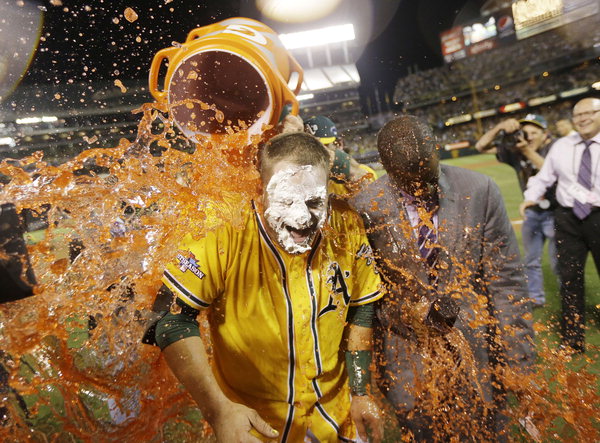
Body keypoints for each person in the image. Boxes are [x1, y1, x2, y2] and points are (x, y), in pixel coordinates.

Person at [147, 132, 384, 442]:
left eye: (314, 202)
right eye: (285, 200)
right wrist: (218, 410)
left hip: (335, 418)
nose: (301, 218)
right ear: (261, 190)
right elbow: (169, 318)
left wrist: (360, 391)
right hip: (253, 424)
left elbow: (362, 307)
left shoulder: (346, 224)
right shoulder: (223, 225)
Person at [350, 116, 535, 441]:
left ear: (436, 151)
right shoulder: (365, 208)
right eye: (410, 185)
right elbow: (363, 299)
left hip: (480, 355)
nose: (421, 192)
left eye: (427, 178)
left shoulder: (479, 190)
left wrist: (520, 368)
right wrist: (403, 314)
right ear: (386, 169)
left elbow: (506, 284)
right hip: (409, 363)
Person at [521, 97, 600, 353]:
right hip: (567, 219)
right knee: (569, 279)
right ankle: (572, 341)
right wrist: (531, 196)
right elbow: (544, 177)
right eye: (578, 114)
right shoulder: (563, 146)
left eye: (589, 112)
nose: (583, 118)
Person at [475, 113, 557, 307]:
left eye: (534, 132)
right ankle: (536, 299)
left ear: (545, 134)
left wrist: (527, 151)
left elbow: (551, 173)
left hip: (556, 212)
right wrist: (500, 127)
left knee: (559, 263)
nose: (528, 137)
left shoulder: (554, 148)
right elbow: (481, 146)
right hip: (531, 213)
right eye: (525, 132)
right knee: (531, 260)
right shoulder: (516, 151)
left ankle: (570, 299)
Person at [304, 115, 377, 194]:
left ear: (339, 144)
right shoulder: (303, 179)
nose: (317, 152)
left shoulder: (365, 172)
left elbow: (373, 195)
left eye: (325, 146)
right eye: (311, 148)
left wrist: (340, 163)